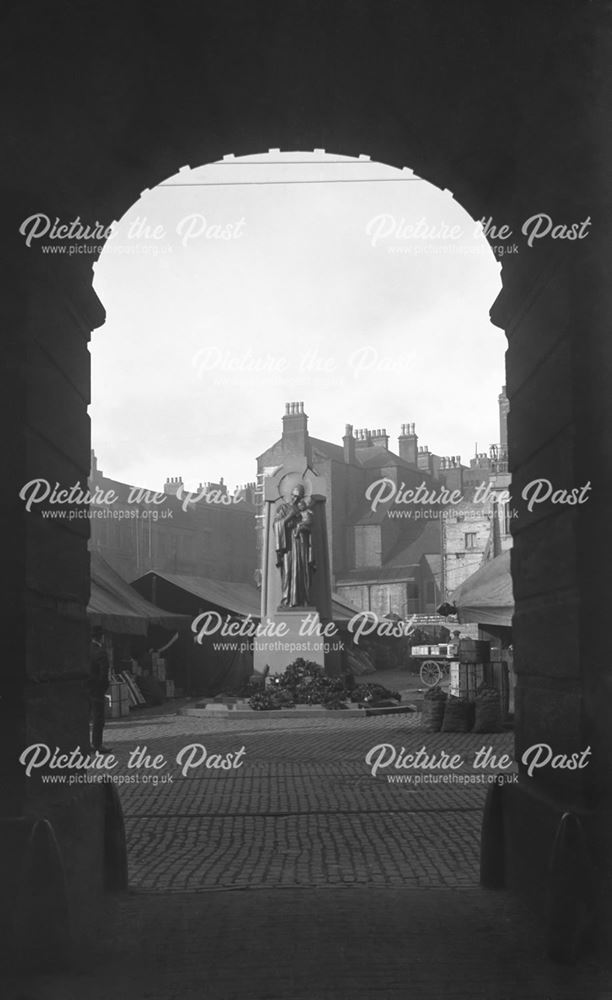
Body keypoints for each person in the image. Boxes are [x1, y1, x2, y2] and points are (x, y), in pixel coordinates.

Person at [89, 625, 111, 753]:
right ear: (101, 637)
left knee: (86, 716)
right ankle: (97, 744)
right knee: (98, 718)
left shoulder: (86, 650)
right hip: (97, 689)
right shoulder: (101, 652)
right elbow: (104, 674)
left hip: (86, 688)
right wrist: (103, 688)